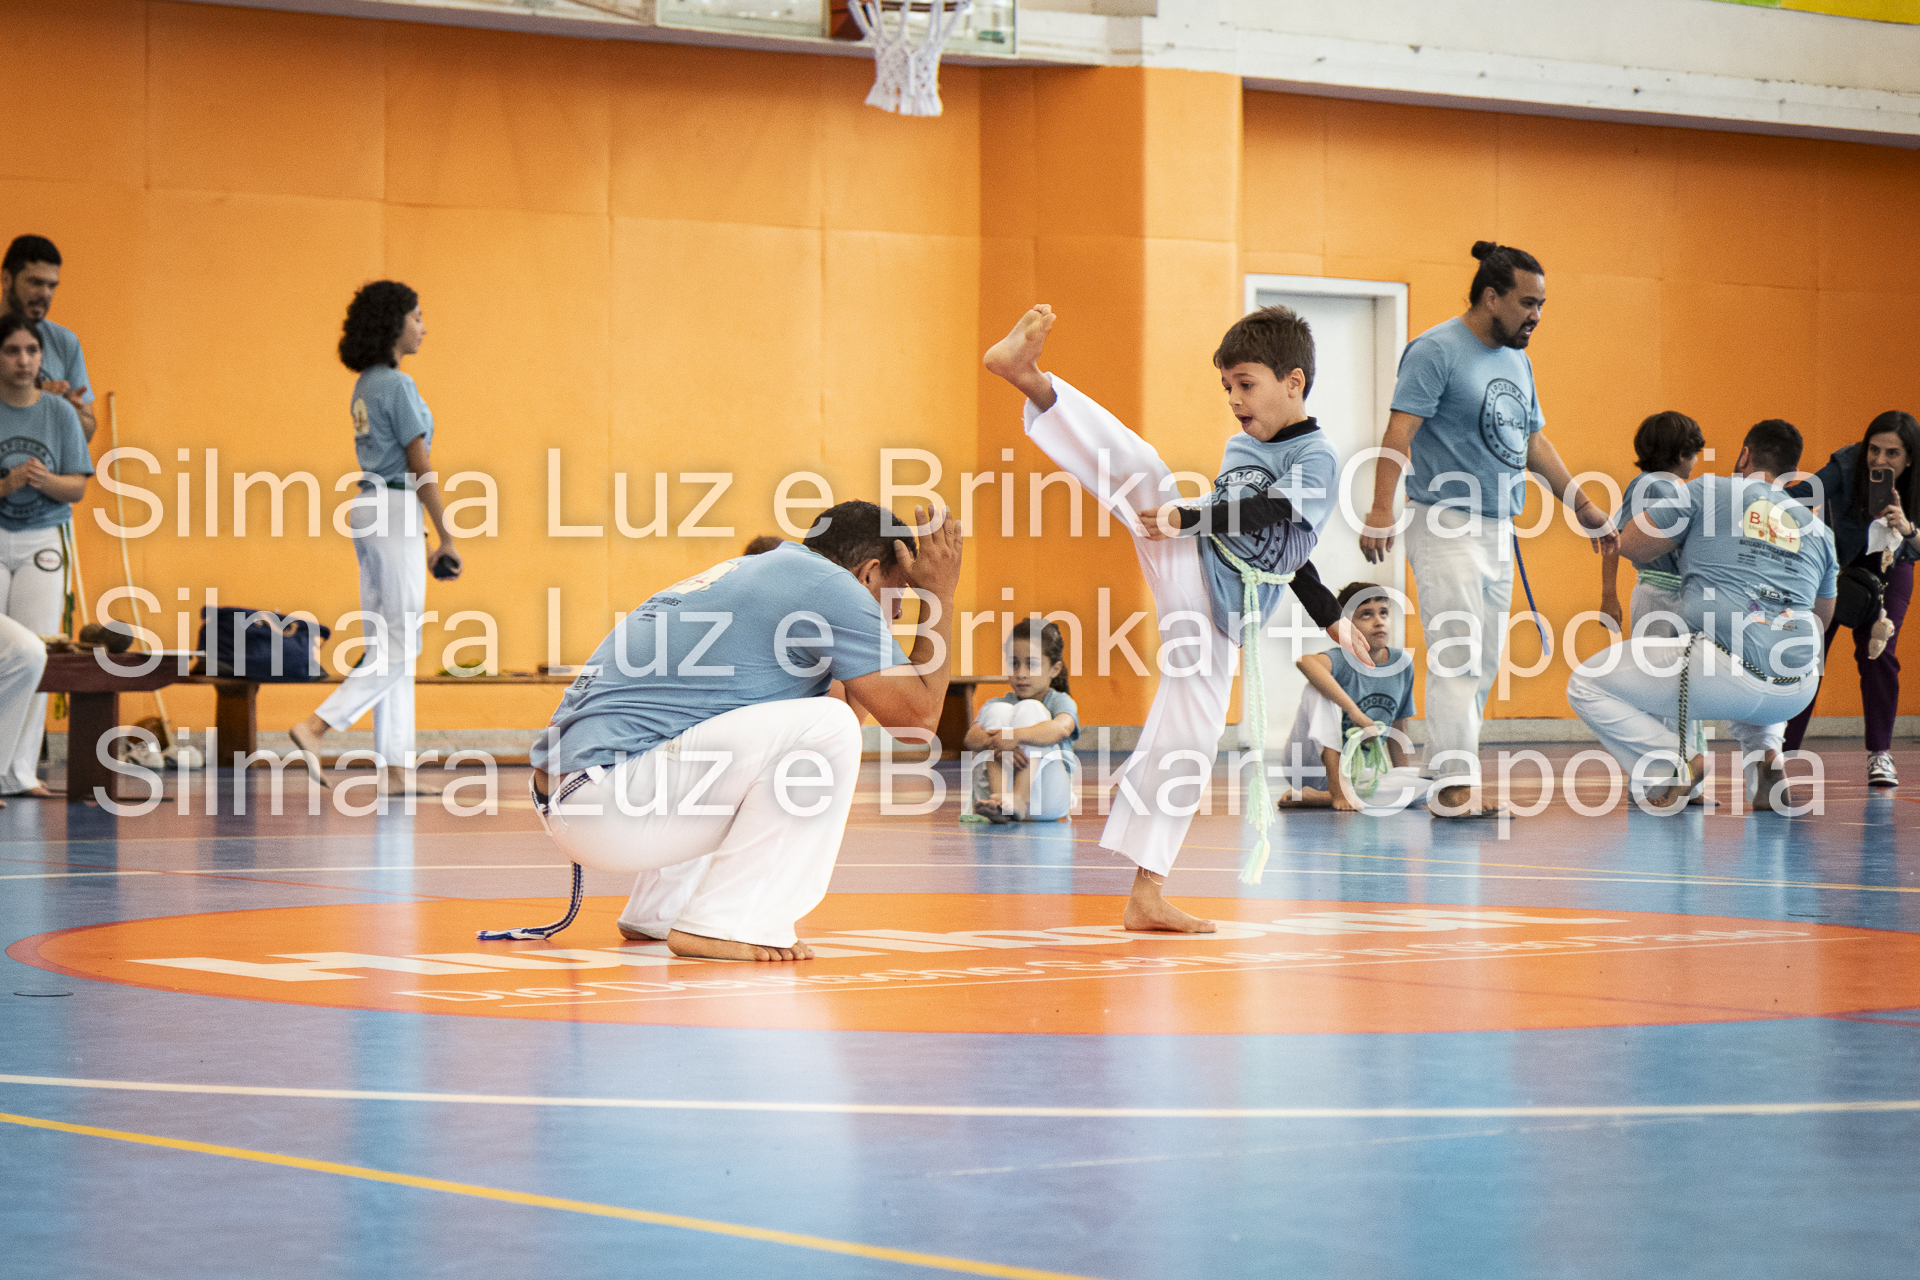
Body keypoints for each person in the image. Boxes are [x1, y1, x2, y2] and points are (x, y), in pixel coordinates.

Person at [983, 302, 1371, 934]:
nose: (1234, 400)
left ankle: (1146, 892)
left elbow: (1281, 527)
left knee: (1188, 736)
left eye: (1246, 384)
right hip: (1196, 566)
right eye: (1227, 387)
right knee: (1144, 472)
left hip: (1222, 611)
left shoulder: (1317, 457)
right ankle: (1032, 381)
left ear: (1293, 382)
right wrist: (1186, 519)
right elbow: (1234, 520)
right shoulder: (1243, 445)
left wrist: (1327, 614)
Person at [532, 500, 963, 962]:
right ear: (870, 574)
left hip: (581, 798)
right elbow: (917, 724)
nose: (895, 617)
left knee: (787, 734)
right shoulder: (832, 588)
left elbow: (828, 733)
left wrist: (855, 656)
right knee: (829, 725)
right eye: (899, 598)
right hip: (609, 803)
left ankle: (660, 910)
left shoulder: (765, 572)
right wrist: (939, 596)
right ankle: (729, 922)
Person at [1360, 241, 1616, 820]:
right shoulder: (1435, 350)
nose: (1536, 316)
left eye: (1541, 305)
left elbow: (1534, 442)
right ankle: (1455, 787)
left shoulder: (1517, 362)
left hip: (1499, 527)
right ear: (1492, 297)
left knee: (1483, 661)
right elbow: (1399, 431)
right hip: (1444, 522)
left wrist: (1580, 504)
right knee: (1456, 652)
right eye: (1527, 303)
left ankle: (1442, 769)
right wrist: (1379, 509)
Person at [1568, 419, 1837, 811]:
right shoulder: (1819, 531)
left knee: (1586, 684)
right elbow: (1821, 620)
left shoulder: (1707, 489)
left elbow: (1632, 545)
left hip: (1722, 668)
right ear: (1793, 471)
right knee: (1758, 658)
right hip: (1796, 687)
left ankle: (1672, 762)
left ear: (1744, 455)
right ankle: (1767, 755)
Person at [289, 282, 462, 795]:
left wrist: (420, 532)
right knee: (403, 642)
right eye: (417, 317)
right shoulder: (398, 386)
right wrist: (446, 536)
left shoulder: (366, 383)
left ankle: (397, 770)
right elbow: (419, 465)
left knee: (388, 644)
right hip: (394, 508)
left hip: (372, 508)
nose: (424, 327)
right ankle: (317, 726)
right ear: (394, 324)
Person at [1783, 410, 1920, 787]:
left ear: (1910, 458)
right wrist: (1758, 497)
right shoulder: (1846, 463)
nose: (1879, 460)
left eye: (1892, 453)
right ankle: (1780, 752)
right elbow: (1801, 495)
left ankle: (1880, 753)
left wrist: (1907, 527)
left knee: (1879, 654)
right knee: (1808, 654)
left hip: (1891, 567)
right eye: (1873, 449)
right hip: (1836, 566)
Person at [0, 314, 92, 796]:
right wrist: (7, 485)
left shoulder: (59, 412)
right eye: (12, 351)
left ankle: (19, 770)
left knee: (38, 651)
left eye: (31, 351)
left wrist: (44, 480)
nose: (23, 360)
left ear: (41, 358)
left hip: (43, 538)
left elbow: (76, 486)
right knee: (9, 650)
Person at [1600, 411, 1709, 795]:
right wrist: (1608, 595)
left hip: (1681, 596)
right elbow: (1615, 538)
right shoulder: (1649, 486)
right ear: (1682, 453)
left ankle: (1681, 779)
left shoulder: (1680, 489)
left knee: (1684, 688)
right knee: (1657, 686)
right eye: (1694, 453)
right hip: (1659, 595)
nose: (1696, 461)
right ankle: (1654, 781)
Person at [1276, 582, 1429, 812]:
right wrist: (1354, 712)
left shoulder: (1402, 663)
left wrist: (1403, 779)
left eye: (1383, 613)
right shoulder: (1340, 659)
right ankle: (1337, 791)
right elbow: (1304, 661)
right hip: (1310, 766)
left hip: (1357, 774)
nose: (1379, 621)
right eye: (1366, 614)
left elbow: (1399, 726)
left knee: (1434, 783)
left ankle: (1324, 797)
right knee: (1317, 687)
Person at [964, 617, 1079, 823]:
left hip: (1046, 800)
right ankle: (1000, 801)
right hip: (1002, 796)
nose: (1020, 674)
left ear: (1054, 668)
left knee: (1031, 708)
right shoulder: (998, 703)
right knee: (997, 710)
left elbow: (1062, 728)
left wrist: (1013, 737)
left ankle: (1019, 797)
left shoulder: (1060, 701)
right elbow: (971, 738)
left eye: (1031, 664)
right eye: (1014, 664)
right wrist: (1000, 743)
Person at [1, 236, 94, 442]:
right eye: (35, 282)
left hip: (47, 464)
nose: (45, 293)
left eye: (52, 285)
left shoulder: (65, 341)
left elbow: (87, 432)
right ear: (6, 279)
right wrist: (31, 396)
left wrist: (68, 411)